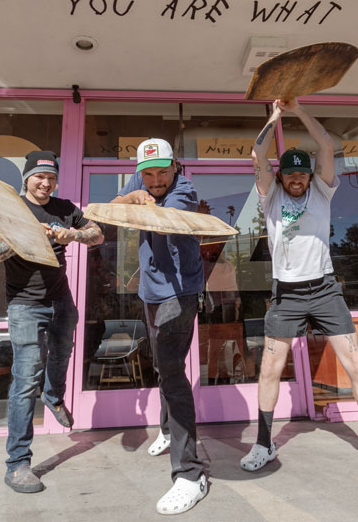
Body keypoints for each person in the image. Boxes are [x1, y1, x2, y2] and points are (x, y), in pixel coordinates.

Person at [241, 100, 358, 485]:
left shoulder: (321, 192)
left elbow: (328, 146)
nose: (297, 179)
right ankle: (264, 443)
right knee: (269, 369)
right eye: (290, 174)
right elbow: (257, 153)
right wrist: (276, 114)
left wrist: (298, 108)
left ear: (309, 175)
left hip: (325, 290)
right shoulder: (271, 198)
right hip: (286, 294)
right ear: (281, 177)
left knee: (356, 367)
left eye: (302, 173)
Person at [0, 150, 104, 494]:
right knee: (24, 380)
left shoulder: (64, 208)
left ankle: (54, 395)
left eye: (51, 178)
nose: (45, 184)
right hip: (24, 306)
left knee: (64, 348)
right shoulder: (10, 209)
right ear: (27, 178)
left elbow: (97, 234)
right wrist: (24, 236)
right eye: (39, 177)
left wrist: (71, 235)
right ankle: (17, 464)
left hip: (60, 300)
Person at [111, 138, 208, 515]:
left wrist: (140, 202)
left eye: (161, 172)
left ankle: (189, 474)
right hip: (151, 291)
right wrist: (129, 198)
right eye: (147, 174)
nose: (155, 180)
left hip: (182, 292)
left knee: (170, 371)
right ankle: (168, 431)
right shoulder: (141, 183)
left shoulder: (184, 188)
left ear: (175, 168)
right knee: (163, 366)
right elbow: (110, 210)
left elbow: (160, 217)